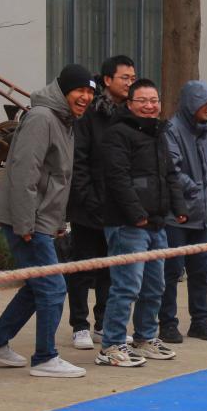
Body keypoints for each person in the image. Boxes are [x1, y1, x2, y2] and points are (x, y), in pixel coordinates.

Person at [0, 64, 96, 378]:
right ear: (64, 90)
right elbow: (24, 172)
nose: (85, 97)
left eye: (89, 92)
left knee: (36, 285)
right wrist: (25, 223)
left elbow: (56, 178)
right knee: (53, 288)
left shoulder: (64, 120)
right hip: (27, 219)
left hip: (41, 218)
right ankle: (45, 358)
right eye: (80, 90)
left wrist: (58, 220)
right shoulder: (43, 118)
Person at [97, 79, 188, 368]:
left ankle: (145, 337)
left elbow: (169, 174)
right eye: (143, 101)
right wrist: (136, 214)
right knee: (127, 286)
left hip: (157, 223)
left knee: (155, 285)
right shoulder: (118, 134)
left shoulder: (158, 133)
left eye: (154, 100)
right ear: (130, 104)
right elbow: (117, 178)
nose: (150, 106)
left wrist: (179, 207)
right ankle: (111, 344)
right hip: (128, 224)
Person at [65, 55, 135, 350]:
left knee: (110, 268)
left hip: (117, 208)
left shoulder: (128, 114)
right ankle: (79, 325)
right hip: (87, 206)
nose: (129, 83)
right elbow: (78, 161)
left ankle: (103, 323)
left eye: (133, 78)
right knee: (83, 267)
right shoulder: (90, 114)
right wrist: (90, 200)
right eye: (124, 78)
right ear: (107, 80)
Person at [158, 81, 207, 345]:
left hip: (202, 214)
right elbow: (173, 170)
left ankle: (200, 320)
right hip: (177, 215)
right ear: (192, 104)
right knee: (171, 272)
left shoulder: (205, 130)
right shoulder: (172, 130)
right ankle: (167, 323)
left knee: (200, 271)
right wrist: (199, 189)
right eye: (206, 104)